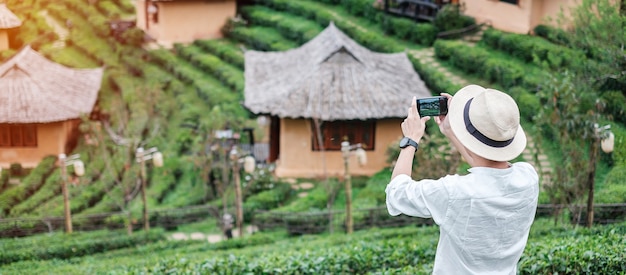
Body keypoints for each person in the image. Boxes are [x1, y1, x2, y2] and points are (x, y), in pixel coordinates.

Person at [386, 84, 539, 274]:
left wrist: (411, 139)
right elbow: (487, 170)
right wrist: (451, 131)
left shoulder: (455, 192)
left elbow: (396, 193)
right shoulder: (528, 178)